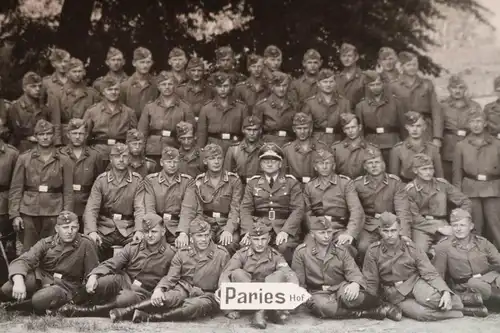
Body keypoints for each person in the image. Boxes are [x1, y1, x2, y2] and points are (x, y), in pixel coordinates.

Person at [109, 218, 230, 323]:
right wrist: (159, 289)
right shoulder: (183, 253)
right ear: (191, 238)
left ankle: (153, 318)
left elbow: (225, 278)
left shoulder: (221, 254)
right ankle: (124, 312)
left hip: (207, 294)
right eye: (199, 236)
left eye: (206, 235)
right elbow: (171, 276)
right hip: (184, 288)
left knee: (194, 306)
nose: (204, 239)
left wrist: (228, 307)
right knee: (165, 298)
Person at [56, 213, 176, 318]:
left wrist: (160, 289)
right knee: (100, 282)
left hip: (144, 291)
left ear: (163, 231)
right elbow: (113, 262)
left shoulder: (170, 253)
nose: (149, 235)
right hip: (125, 280)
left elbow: (171, 277)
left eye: (154, 231)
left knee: (124, 299)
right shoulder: (134, 247)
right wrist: (94, 275)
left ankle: (85, 311)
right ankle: (68, 304)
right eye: (146, 232)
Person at [292, 216, 401, 320]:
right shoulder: (301, 252)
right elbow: (299, 282)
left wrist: (355, 284)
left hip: (340, 287)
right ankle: (368, 313)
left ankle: (383, 304)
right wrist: (306, 298)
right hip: (318, 292)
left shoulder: (340, 250)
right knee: (324, 307)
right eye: (322, 233)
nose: (326, 236)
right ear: (312, 234)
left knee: (354, 297)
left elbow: (353, 271)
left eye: (329, 232)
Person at [363, 212, 464, 321]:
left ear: (400, 230)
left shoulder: (410, 247)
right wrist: (372, 303)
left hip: (414, 283)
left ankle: (461, 303)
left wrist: (445, 291)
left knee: (432, 299)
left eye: (393, 231)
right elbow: (371, 280)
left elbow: (429, 272)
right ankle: (463, 312)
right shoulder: (373, 251)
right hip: (394, 292)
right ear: (379, 231)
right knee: (421, 314)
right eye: (385, 231)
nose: (390, 235)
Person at [0, 211, 98, 313]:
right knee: (8, 288)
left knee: (41, 298)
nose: (69, 231)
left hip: (66, 286)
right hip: (43, 279)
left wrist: (89, 284)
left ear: (78, 227)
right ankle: (28, 301)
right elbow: (23, 260)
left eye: (73, 227)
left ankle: (20, 306)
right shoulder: (46, 243)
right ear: (57, 229)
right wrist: (19, 281)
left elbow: (93, 271)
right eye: (65, 227)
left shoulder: (85, 244)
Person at [220, 221, 299, 328]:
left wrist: (292, 295)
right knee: (237, 273)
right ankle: (266, 311)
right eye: (256, 239)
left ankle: (261, 311)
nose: (260, 243)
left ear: (269, 239)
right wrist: (228, 309)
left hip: (268, 297)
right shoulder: (241, 255)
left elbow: (289, 274)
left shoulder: (276, 256)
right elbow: (226, 275)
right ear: (249, 239)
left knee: (279, 274)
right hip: (246, 300)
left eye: (263, 239)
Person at [9, 119, 74, 251]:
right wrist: (15, 215)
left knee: (52, 250)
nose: (45, 137)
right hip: (28, 210)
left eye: (48, 134)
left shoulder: (64, 159)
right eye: (41, 134)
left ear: (53, 135)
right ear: (35, 136)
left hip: (54, 211)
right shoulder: (24, 158)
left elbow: (68, 190)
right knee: (28, 250)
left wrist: (66, 214)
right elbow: (16, 188)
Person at [240, 143, 304, 263]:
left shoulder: (291, 182)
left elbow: (298, 209)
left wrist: (286, 231)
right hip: (259, 226)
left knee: (284, 246)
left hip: (283, 226)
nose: (269, 164)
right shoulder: (253, 183)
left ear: (280, 164)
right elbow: (245, 209)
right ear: (260, 164)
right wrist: (249, 231)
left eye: (273, 161)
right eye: (265, 161)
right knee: (246, 246)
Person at [83, 143, 145, 260]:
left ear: (130, 159)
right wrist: (92, 231)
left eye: (125, 156)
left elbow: (140, 208)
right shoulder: (101, 180)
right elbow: (92, 209)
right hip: (105, 227)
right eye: (117, 156)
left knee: (141, 245)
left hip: (128, 228)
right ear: (111, 159)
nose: (121, 160)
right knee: (88, 244)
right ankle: (94, 276)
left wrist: (139, 230)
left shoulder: (137, 180)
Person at [433, 208, 500, 316]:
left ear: (471, 226)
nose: (458, 229)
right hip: (466, 285)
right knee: (474, 283)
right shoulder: (443, 247)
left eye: (462, 225)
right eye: (455, 225)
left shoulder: (482, 242)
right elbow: (437, 275)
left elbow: (498, 260)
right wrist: (445, 291)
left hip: (489, 278)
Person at [178, 144, 242, 254]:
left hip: (225, 222)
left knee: (230, 243)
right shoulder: (199, 181)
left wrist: (229, 230)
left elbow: (235, 209)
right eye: (212, 158)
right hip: (205, 223)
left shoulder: (233, 180)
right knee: (198, 242)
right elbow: (189, 208)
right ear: (205, 161)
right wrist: (183, 232)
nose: (216, 162)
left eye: (219, 158)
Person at [353, 147, 411, 262]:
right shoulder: (358, 184)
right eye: (370, 163)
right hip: (369, 224)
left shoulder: (395, 183)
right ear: (364, 166)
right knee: (363, 247)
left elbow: (402, 210)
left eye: (377, 162)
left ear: (383, 164)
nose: (374, 166)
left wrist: (404, 233)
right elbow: (355, 210)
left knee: (398, 248)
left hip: (391, 223)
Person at [453, 109, 500, 248]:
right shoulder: (461, 145)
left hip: (493, 188)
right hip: (471, 189)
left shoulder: (497, 144)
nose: (476, 125)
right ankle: (478, 255)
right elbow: (457, 172)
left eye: (479, 121)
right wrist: (458, 195)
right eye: (472, 121)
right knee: (475, 224)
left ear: (485, 123)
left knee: (495, 223)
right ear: (467, 124)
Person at [406, 154, 471, 254]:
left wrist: (458, 221)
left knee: (458, 248)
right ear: (415, 170)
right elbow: (414, 217)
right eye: (424, 169)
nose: (428, 172)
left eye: (431, 168)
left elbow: (465, 201)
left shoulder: (442, 184)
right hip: (421, 227)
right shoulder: (410, 190)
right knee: (419, 252)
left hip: (443, 223)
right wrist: (438, 229)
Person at [303, 149, 364, 254]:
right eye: (320, 163)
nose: (324, 166)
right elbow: (307, 213)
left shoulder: (345, 183)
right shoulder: (310, 186)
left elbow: (356, 211)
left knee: (344, 249)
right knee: (307, 251)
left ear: (334, 166)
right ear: (315, 167)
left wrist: (349, 233)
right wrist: (314, 230)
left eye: (328, 163)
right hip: (318, 229)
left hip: (339, 229)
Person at [59, 118, 105, 231]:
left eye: (81, 133)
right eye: (74, 133)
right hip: (64, 202)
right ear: (68, 135)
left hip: (87, 201)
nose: (77, 136)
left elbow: (100, 182)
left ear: (86, 135)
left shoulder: (95, 156)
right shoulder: (60, 154)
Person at [138, 71, 195, 161]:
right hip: (153, 151)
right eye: (163, 84)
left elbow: (191, 133)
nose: (167, 87)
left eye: (170, 84)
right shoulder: (149, 107)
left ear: (175, 85)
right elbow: (142, 133)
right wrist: (140, 153)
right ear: (158, 86)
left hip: (176, 150)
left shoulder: (185, 107)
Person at [143, 147, 194, 245]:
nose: (172, 165)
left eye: (175, 162)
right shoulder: (151, 180)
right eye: (169, 162)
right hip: (156, 225)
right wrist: (155, 230)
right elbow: (150, 209)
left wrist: (183, 232)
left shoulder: (187, 182)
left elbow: (187, 210)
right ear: (162, 162)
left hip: (177, 226)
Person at [390, 51, 443, 145]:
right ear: (401, 67)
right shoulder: (394, 86)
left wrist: (437, 137)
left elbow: (436, 111)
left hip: (425, 130)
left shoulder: (427, 84)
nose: (412, 68)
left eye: (414, 64)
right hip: (404, 130)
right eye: (408, 65)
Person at [84, 76, 137, 165]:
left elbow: (134, 137)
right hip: (99, 152)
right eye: (109, 89)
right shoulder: (92, 111)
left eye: (116, 89)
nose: (113, 92)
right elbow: (85, 135)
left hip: (121, 153)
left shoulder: (129, 112)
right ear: (103, 92)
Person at [356, 70, 405, 165]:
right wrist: (363, 146)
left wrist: (404, 144)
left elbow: (403, 126)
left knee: (394, 172)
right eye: (372, 85)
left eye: (378, 84)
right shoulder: (361, 106)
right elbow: (360, 130)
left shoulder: (395, 103)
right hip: (371, 143)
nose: (375, 87)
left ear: (383, 84)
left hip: (393, 142)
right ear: (367, 86)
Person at [441, 75, 482, 182]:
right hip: (448, 147)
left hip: (469, 146)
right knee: (448, 179)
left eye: (461, 87)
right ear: (449, 89)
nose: (457, 91)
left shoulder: (474, 106)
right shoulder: (442, 106)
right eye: (454, 88)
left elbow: (480, 127)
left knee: (468, 180)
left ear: (465, 89)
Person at [52, 58, 100, 145]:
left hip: (86, 137)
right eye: (74, 71)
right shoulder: (58, 94)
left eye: (79, 71)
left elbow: (96, 119)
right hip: (66, 138)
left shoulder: (92, 93)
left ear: (84, 72)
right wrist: (57, 142)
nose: (77, 74)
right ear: (67, 73)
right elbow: (56, 121)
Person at [197, 72, 247, 154]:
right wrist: (201, 150)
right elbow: (202, 133)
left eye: (225, 86)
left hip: (235, 146)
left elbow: (246, 132)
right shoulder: (207, 108)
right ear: (215, 87)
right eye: (219, 86)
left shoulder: (241, 107)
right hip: (213, 146)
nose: (222, 89)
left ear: (231, 87)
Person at [389, 111, 443, 183]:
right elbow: (394, 180)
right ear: (406, 127)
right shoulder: (398, 149)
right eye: (412, 126)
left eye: (418, 126)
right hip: (406, 188)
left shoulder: (433, 149)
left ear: (424, 127)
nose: (414, 129)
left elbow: (440, 178)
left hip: (428, 189)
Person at [301, 68, 351, 145]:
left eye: (331, 81)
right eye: (325, 82)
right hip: (316, 142)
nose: (328, 85)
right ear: (318, 83)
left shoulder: (344, 102)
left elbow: (349, 126)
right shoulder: (310, 103)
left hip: (338, 141)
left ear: (335, 83)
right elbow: (304, 127)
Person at [7, 72, 52, 152]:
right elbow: (15, 132)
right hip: (22, 149)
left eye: (39, 86)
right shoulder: (15, 107)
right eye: (33, 86)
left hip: (42, 147)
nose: (38, 89)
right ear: (24, 88)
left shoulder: (43, 107)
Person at [282, 112, 328, 183]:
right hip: (295, 187)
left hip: (316, 187)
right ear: (294, 129)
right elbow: (283, 175)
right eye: (299, 128)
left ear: (310, 129)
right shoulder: (287, 149)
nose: (302, 132)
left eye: (305, 128)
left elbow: (327, 173)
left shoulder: (321, 147)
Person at [253, 71, 297, 147]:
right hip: (269, 144)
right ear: (272, 87)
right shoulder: (262, 106)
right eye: (278, 86)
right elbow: (255, 130)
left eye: (284, 85)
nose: (281, 89)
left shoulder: (293, 105)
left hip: (289, 144)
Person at [331, 113, 378, 179]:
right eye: (347, 128)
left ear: (360, 127)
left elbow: (377, 173)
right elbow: (331, 173)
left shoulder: (371, 148)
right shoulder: (336, 149)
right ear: (344, 130)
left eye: (353, 127)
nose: (350, 131)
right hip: (342, 186)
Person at [223, 115, 265, 185]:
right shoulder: (234, 149)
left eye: (255, 130)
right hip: (239, 188)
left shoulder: (265, 149)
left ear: (260, 130)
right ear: (243, 130)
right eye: (248, 130)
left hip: (260, 189)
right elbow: (227, 175)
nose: (252, 133)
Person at [119, 47, 158, 120]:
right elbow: (120, 110)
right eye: (142, 62)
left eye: (148, 62)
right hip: (130, 126)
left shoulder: (156, 84)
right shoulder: (124, 85)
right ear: (134, 63)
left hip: (152, 125)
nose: (145, 66)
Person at [0, 118, 19, 263]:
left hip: (4, 205)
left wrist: (14, 211)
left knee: (8, 246)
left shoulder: (12, 154)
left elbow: (17, 185)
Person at [336, 43, 366, 109]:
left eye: (349, 56)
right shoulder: (336, 78)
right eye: (344, 56)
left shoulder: (364, 77)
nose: (346, 59)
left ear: (356, 57)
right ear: (340, 58)